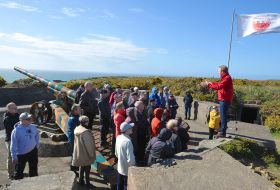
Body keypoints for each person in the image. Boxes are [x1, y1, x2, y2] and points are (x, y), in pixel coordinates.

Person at [205, 65, 233, 137]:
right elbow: (219, 84)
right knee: (223, 116)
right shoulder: (225, 78)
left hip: (224, 99)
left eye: (219, 71)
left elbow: (218, 87)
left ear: (222, 71)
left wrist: (208, 85)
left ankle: (223, 133)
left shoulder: (226, 78)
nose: (218, 72)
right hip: (224, 99)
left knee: (223, 116)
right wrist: (211, 83)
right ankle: (222, 131)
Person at [11, 112, 39, 180]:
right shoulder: (16, 131)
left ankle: (34, 182)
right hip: (21, 154)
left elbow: (37, 135)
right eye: (28, 119)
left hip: (33, 151)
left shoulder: (33, 127)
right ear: (22, 120)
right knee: (19, 172)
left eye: (30, 118)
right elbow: (13, 144)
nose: (31, 120)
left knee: (34, 169)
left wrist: (37, 145)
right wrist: (14, 156)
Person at [72, 116, 96, 188]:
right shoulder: (85, 132)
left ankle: (80, 180)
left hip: (79, 152)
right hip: (86, 153)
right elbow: (88, 145)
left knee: (81, 166)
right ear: (86, 122)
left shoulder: (77, 129)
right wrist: (91, 154)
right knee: (87, 168)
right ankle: (87, 183)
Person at [115, 122, 136, 190]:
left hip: (120, 166)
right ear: (127, 130)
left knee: (119, 184)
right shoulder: (128, 142)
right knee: (126, 185)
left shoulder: (118, 137)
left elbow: (116, 153)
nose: (131, 128)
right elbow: (131, 160)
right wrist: (133, 165)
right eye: (130, 128)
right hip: (127, 169)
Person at [3, 102, 19, 179]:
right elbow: (12, 129)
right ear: (8, 109)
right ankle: (11, 174)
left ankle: (16, 170)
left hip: (18, 139)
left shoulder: (17, 115)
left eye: (16, 107)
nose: (16, 109)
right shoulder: (7, 118)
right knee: (11, 156)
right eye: (14, 108)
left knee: (18, 155)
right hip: (10, 139)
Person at [67, 104, 81, 176]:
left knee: (75, 154)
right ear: (75, 110)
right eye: (79, 109)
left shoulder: (73, 117)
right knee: (74, 154)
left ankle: (75, 168)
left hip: (73, 138)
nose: (80, 109)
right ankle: (73, 169)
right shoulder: (74, 119)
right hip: (74, 139)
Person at [134, 101, 149, 166]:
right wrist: (146, 124)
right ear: (139, 107)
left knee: (142, 146)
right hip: (139, 133)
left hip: (143, 132)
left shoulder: (142, 112)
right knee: (140, 146)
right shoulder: (136, 113)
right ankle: (139, 159)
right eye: (142, 105)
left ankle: (141, 157)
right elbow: (139, 124)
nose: (143, 106)